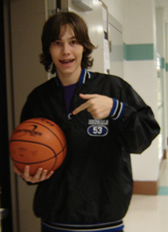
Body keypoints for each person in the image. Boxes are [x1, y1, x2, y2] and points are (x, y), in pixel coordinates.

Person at [14, 12, 160, 232]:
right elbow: (28, 148)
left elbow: (144, 136)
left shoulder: (113, 88)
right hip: (55, 217)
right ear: (48, 49)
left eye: (73, 42)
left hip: (103, 217)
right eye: (57, 43)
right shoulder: (39, 98)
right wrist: (30, 172)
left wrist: (117, 109)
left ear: (84, 46)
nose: (66, 51)